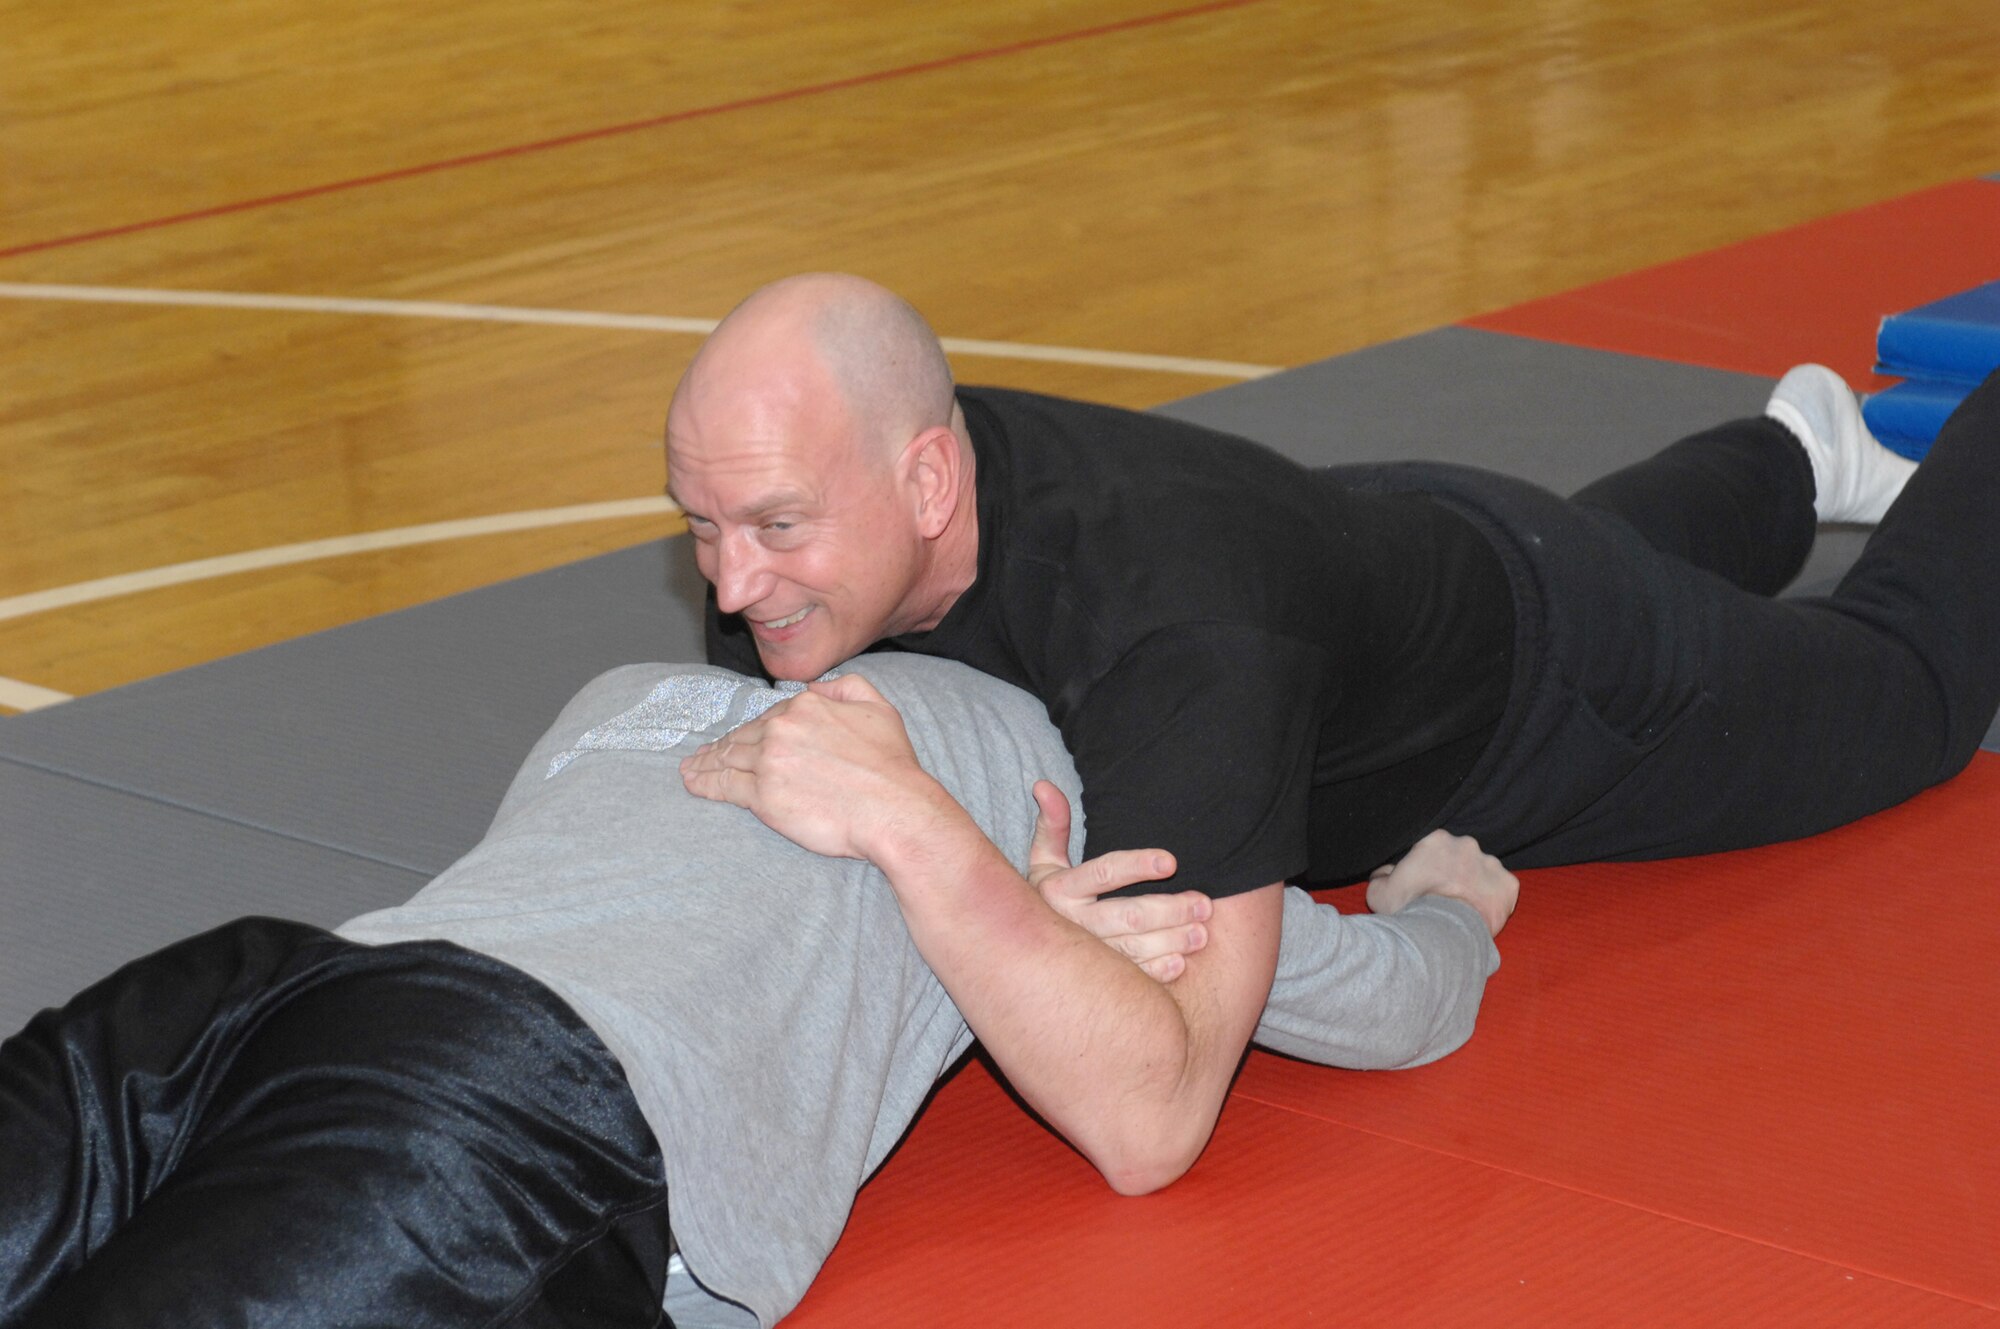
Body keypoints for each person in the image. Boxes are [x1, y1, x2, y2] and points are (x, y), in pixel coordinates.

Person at [668, 272, 2000, 1198]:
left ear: (929, 480)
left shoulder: (1176, 638)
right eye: (701, 526)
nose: (731, 589)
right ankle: (1793, 454)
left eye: (777, 526)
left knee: (1916, 693)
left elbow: (1154, 1119)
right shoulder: (821, 547)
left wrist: (948, 861)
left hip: (1560, 680)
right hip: (1373, 559)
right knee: (1581, 543)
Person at [0, 653, 1510, 1329]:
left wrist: (1000, 939)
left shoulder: (623, 690)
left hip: (259, 992)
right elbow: (1361, 999)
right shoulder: (1054, 769)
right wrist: (1453, 916)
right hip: (492, 1107)